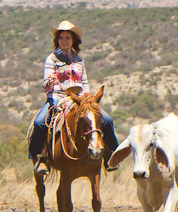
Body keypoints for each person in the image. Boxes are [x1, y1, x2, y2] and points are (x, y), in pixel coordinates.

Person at [29, 20, 119, 175]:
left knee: (107, 120)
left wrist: (87, 100)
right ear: (57, 40)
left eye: (67, 38)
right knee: (40, 122)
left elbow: (84, 82)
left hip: (78, 99)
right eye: (61, 38)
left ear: (73, 41)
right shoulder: (51, 59)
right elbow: (46, 84)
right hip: (56, 98)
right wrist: (48, 83)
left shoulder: (79, 60)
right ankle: (40, 158)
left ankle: (110, 155)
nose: (64, 41)